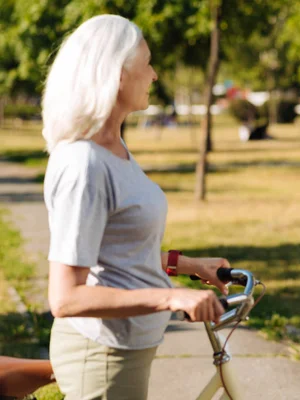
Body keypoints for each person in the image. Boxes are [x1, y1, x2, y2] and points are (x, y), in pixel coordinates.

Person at [42, 15, 229, 399]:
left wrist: (190, 266)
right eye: (146, 63)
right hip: (104, 354)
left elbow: (116, 253)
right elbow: (65, 297)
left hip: (127, 348)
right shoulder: (84, 164)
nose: (155, 75)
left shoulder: (115, 150)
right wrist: (172, 296)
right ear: (117, 73)